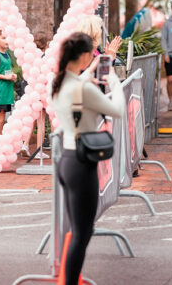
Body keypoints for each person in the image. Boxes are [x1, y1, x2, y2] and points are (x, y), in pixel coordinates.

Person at [52, 32, 124, 285]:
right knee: (83, 233)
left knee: (76, 229)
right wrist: (113, 80)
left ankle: (68, 279)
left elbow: (81, 80)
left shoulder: (60, 84)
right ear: (84, 55)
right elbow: (118, 110)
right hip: (82, 165)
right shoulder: (82, 88)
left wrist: (105, 60)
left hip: (67, 160)